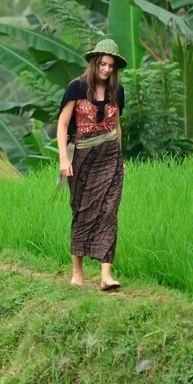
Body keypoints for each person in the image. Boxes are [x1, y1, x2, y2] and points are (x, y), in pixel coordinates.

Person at [56, 38, 126, 292]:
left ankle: (106, 275)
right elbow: (63, 125)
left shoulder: (116, 91)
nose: (107, 70)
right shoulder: (77, 88)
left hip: (110, 157)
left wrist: (120, 158)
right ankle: (77, 272)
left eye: (111, 66)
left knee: (109, 212)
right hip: (82, 158)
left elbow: (117, 126)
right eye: (103, 64)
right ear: (95, 63)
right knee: (83, 212)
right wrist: (64, 158)